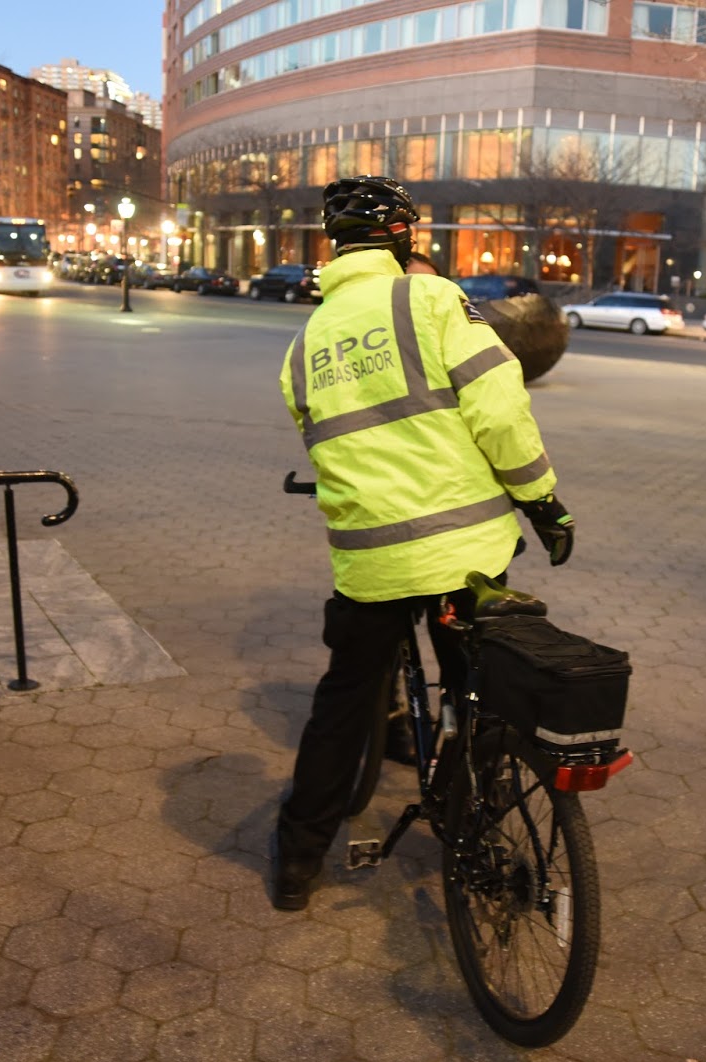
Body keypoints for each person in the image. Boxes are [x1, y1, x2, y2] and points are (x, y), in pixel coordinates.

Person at [273, 175, 573, 910]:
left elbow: (336, 452)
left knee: (342, 705)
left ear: (334, 248)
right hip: (466, 549)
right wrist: (543, 504)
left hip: (372, 561)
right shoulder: (432, 300)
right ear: (403, 237)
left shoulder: (301, 347)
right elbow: (499, 410)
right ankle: (475, 809)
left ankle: (296, 866)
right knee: (480, 687)